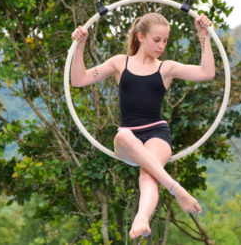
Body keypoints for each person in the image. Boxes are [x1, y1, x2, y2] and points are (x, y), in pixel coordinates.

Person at [71, 12, 215, 239]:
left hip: (158, 133)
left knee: (148, 175)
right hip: (128, 138)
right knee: (123, 136)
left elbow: (207, 73)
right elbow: (79, 80)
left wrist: (203, 36)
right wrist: (79, 45)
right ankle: (176, 189)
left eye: (165, 41)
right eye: (157, 40)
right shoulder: (120, 63)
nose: (162, 46)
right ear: (140, 37)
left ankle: (142, 216)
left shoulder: (166, 68)